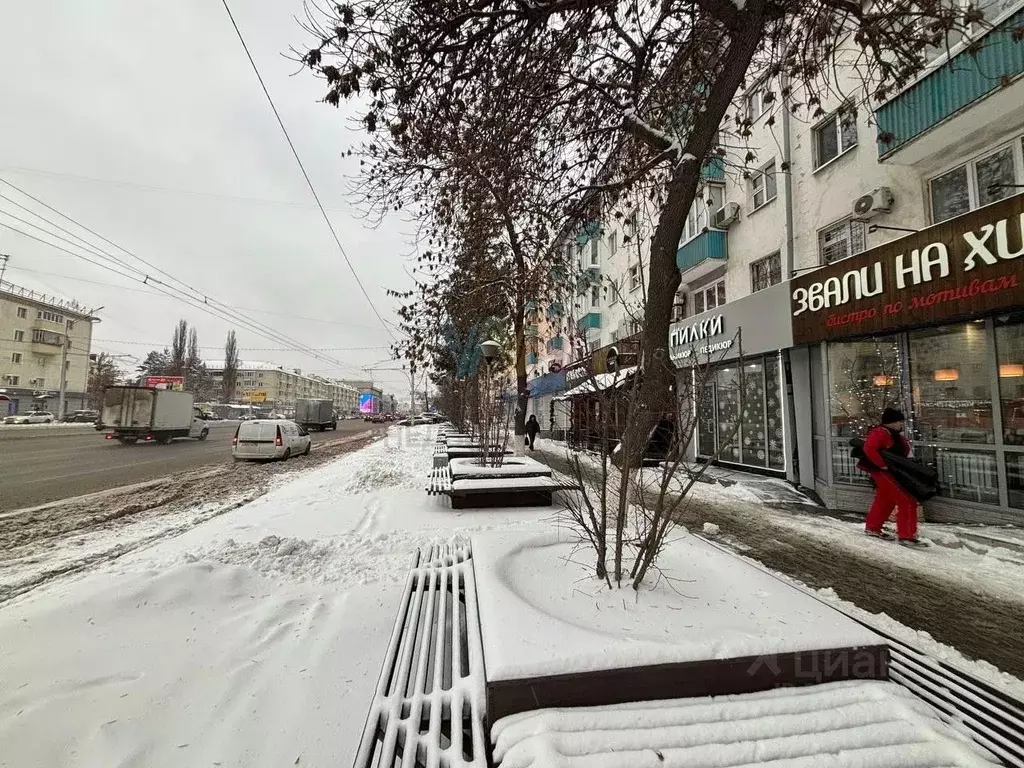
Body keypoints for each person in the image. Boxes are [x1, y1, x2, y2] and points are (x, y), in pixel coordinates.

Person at [858, 408, 924, 547]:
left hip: (887, 472)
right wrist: (882, 465)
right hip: (884, 472)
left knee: (885, 500)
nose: (902, 424)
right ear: (891, 422)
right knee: (907, 500)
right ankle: (907, 535)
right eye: (899, 421)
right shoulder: (880, 433)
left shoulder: (892, 435)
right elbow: (869, 449)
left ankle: (873, 527)